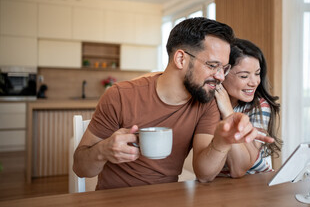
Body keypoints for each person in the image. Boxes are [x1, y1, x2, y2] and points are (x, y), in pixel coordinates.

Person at [73, 18, 274, 190]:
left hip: (167, 197)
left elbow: (204, 175)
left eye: (225, 68)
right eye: (213, 66)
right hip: (113, 199)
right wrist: (103, 150)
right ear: (180, 58)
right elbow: (80, 168)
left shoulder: (205, 101)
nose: (221, 76)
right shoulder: (119, 95)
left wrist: (221, 143)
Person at [215, 38, 282, 177]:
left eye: (257, 73)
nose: (254, 82)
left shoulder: (260, 106)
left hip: (255, 181)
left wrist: (228, 111)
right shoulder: (208, 104)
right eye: (244, 76)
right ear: (223, 73)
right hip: (218, 185)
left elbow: (239, 168)